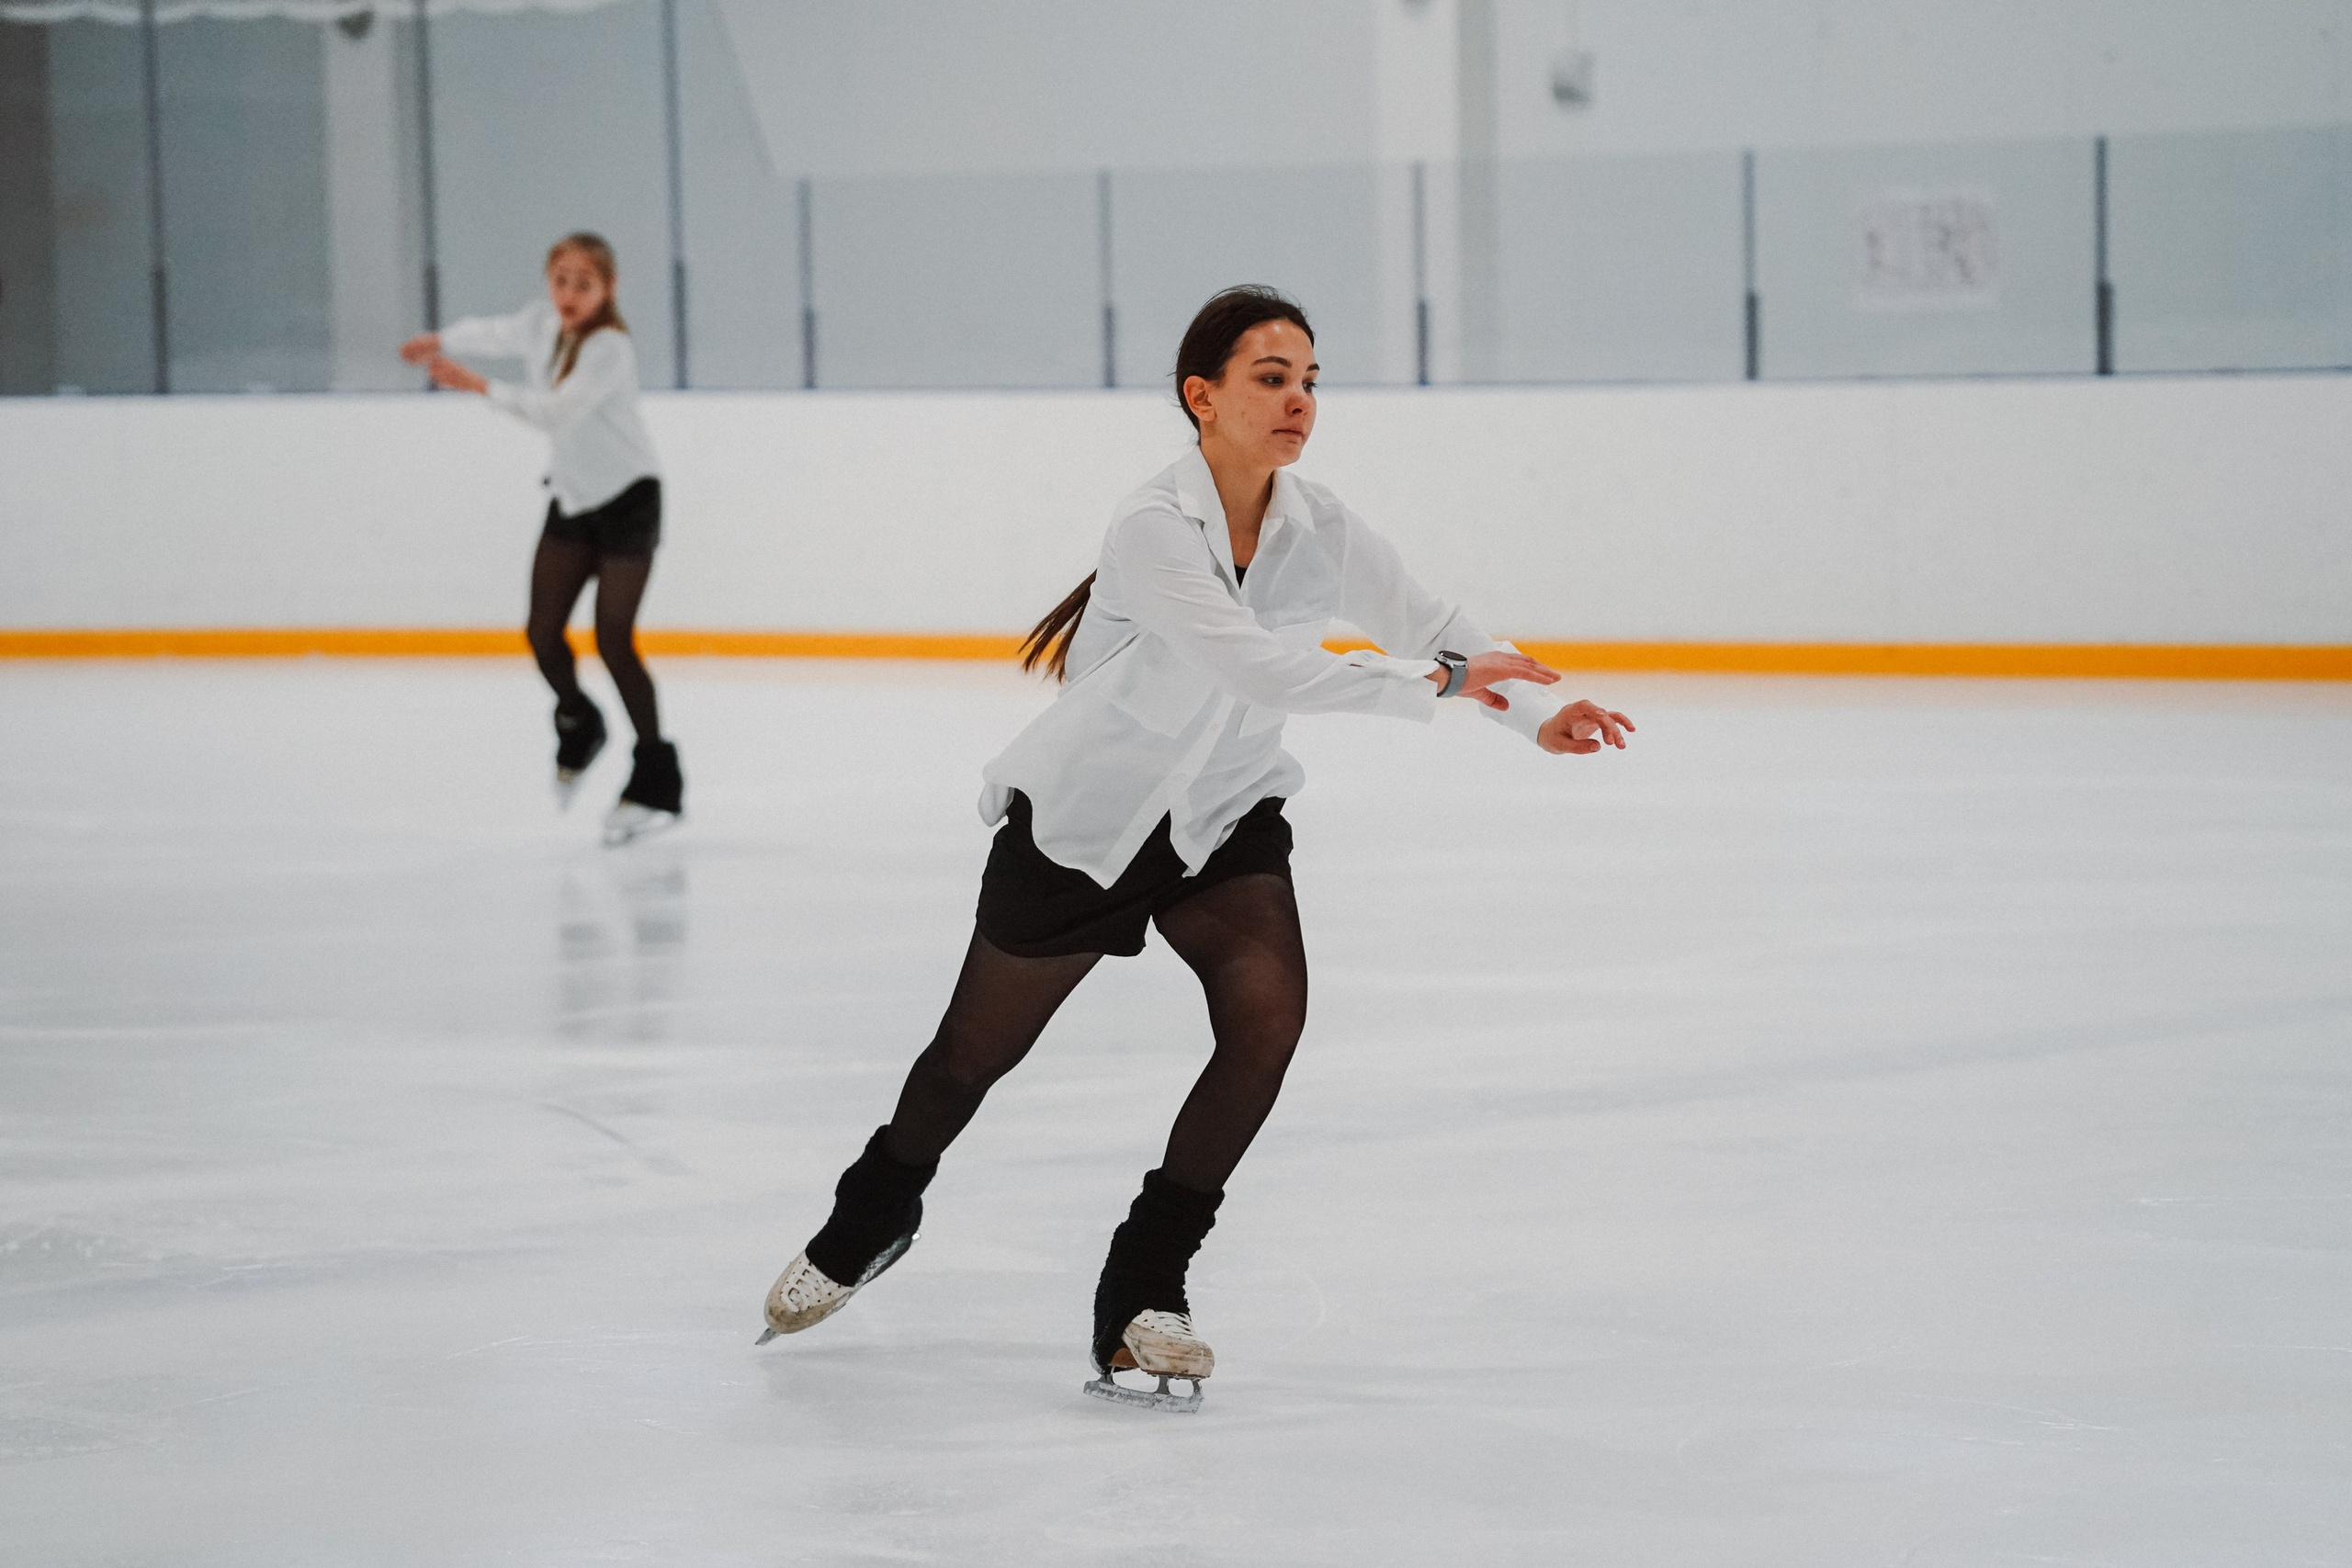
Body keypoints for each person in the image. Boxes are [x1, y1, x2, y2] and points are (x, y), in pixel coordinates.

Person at [757, 286, 1634, 1412]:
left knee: (1267, 1016)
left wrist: (1524, 710)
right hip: (1087, 824)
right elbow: (1260, 668)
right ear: (1201, 395)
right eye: (1271, 378)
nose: (1299, 402)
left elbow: (1433, 623)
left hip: (1221, 816)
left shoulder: (1321, 525)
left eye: (1310, 380)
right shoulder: (1150, 528)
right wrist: (1446, 684)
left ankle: (1142, 1292)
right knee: (964, 1066)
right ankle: (869, 1217)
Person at [398, 231, 684, 846]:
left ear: (608, 289)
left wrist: (476, 386)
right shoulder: (540, 322)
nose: (569, 294)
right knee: (541, 632)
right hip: (574, 499)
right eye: (560, 279)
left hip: (629, 499)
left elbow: (555, 412)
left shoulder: (609, 347)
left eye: (584, 283)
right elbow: (497, 331)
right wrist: (441, 339)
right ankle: (580, 722)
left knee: (613, 636)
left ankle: (657, 777)